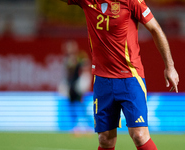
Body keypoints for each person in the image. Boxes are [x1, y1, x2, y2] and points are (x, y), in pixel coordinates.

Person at [60, 0, 179, 150]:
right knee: (105, 139)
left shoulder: (132, 1)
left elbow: (155, 28)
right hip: (102, 80)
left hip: (130, 78)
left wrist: (170, 66)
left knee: (139, 135)